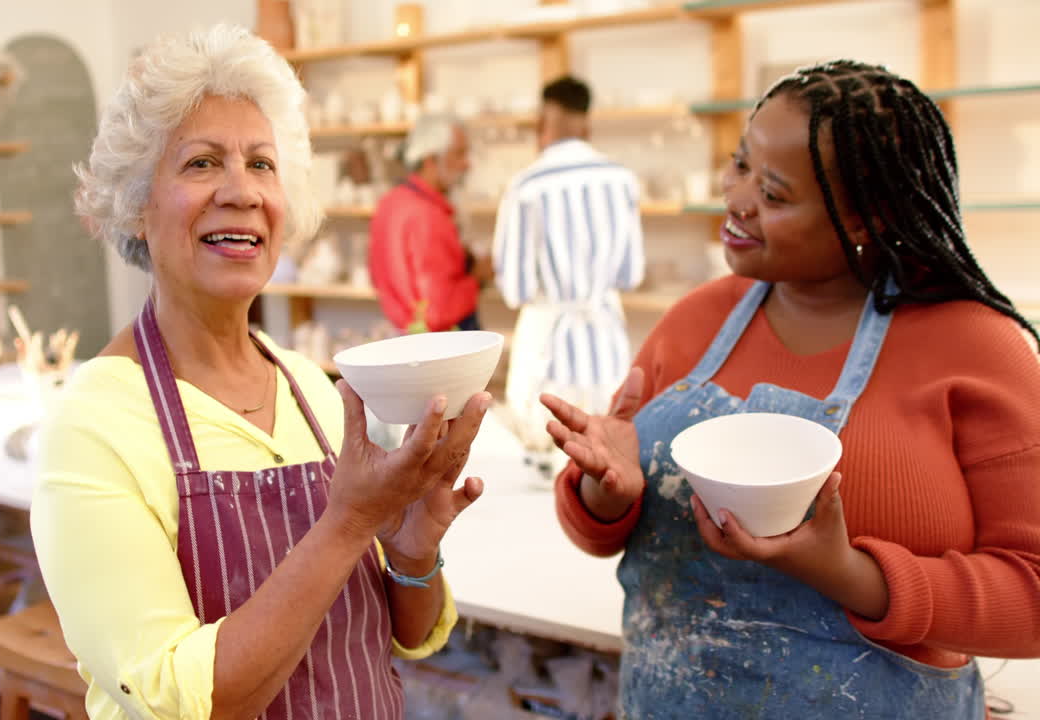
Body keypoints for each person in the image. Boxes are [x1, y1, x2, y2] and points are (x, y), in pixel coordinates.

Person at [544, 60, 1040, 719]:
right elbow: (612, 530)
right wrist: (601, 496)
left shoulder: (975, 346)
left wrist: (852, 576)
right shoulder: (695, 322)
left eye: (774, 194)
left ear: (866, 218)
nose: (736, 197)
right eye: (739, 163)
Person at [33, 26, 491, 720]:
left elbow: (410, 629)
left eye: (262, 164)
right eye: (202, 163)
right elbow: (188, 702)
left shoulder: (313, 389)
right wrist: (348, 523)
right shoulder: (95, 426)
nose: (241, 191)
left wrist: (412, 550)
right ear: (135, 203)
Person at [492, 76, 645, 458]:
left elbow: (515, 288)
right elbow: (631, 274)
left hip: (549, 342)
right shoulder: (621, 179)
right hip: (606, 340)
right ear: (586, 117)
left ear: (547, 114)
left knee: (546, 453)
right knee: (604, 454)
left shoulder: (527, 185)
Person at [368, 114, 489, 333]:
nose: (467, 164)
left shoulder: (390, 202)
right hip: (437, 344)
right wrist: (479, 277)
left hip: (404, 333)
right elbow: (437, 311)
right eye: (460, 154)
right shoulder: (427, 216)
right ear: (431, 160)